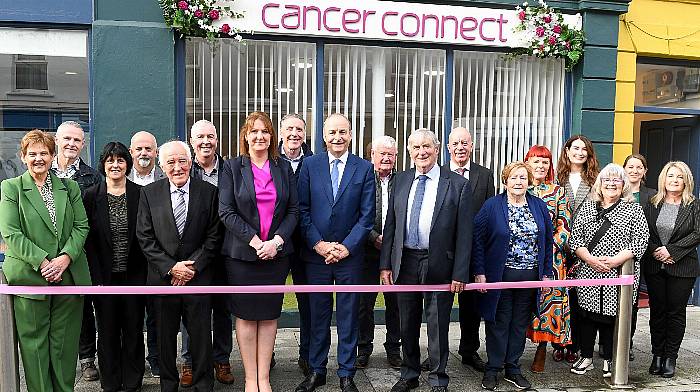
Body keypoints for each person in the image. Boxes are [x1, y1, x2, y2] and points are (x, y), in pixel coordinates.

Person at [380, 129, 472, 392]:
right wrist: (386, 264)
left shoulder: (457, 184)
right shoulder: (400, 180)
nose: (422, 152)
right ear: (409, 152)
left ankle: (437, 378)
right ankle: (409, 374)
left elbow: (465, 234)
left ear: (437, 148)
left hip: (439, 263)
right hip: (405, 261)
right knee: (406, 321)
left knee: (438, 323)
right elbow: (391, 226)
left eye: (427, 147)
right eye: (416, 148)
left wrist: (460, 273)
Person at [0, 130, 91, 392]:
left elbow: (81, 227)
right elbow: (11, 233)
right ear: (23, 157)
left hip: (68, 276)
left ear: (53, 156)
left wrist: (63, 259)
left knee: (64, 347)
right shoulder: (11, 187)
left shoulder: (70, 187)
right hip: (29, 278)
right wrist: (43, 263)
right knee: (35, 347)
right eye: (32, 154)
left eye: (43, 153)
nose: (38, 158)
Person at [294, 113, 375, 392]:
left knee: (348, 315)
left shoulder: (364, 168)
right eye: (332, 132)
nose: (337, 137)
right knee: (317, 314)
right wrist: (319, 244)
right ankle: (317, 370)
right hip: (315, 256)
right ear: (323, 136)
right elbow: (301, 210)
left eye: (343, 132)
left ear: (350, 134)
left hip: (349, 258)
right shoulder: (309, 165)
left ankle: (346, 372)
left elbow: (367, 217)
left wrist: (345, 247)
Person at [219, 111, 298, 392]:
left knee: (268, 316)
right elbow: (226, 212)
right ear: (245, 136)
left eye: (265, 131)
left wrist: (275, 242)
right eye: (254, 131)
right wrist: (255, 242)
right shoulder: (231, 167)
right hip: (242, 256)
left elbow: (293, 210)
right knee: (245, 316)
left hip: (276, 256)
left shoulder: (283, 168)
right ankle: (250, 380)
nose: (259, 136)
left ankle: (264, 379)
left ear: (271, 136)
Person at [136, 140, 221, 392]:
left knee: (201, 336)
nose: (177, 167)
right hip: (163, 279)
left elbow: (214, 235)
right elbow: (145, 237)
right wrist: (172, 267)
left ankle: (203, 384)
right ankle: (168, 385)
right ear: (161, 165)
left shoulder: (209, 192)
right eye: (170, 162)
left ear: (191, 161)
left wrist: (191, 268)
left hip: (199, 277)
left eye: (182, 161)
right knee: (164, 338)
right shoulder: (149, 193)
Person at [473, 162, 553, 391]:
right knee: (499, 322)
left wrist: (546, 274)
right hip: (500, 276)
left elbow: (547, 242)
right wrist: (479, 272)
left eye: (523, 178)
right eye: (514, 178)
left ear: (529, 182)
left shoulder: (538, 206)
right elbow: (477, 239)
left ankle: (513, 368)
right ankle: (493, 368)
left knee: (519, 323)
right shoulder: (492, 206)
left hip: (529, 277)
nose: (518, 182)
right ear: (505, 181)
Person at [568, 163, 648, 379]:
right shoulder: (588, 206)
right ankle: (585, 357)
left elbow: (641, 240)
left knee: (614, 317)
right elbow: (575, 239)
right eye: (607, 180)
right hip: (589, 270)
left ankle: (610, 359)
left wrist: (614, 261)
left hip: (619, 272)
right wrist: (591, 260)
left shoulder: (633, 209)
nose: (611, 183)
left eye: (617, 180)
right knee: (587, 316)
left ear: (623, 186)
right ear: (599, 184)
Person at [83, 142, 147, 392]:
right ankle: (110, 382)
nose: (115, 165)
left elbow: (145, 236)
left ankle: (132, 382)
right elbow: (88, 241)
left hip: (134, 276)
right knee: (107, 332)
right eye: (110, 160)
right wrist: (96, 278)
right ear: (103, 165)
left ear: (127, 164)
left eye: (120, 160)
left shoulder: (141, 194)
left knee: (133, 331)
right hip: (104, 279)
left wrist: (142, 277)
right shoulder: (91, 195)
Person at [179, 119, 235, 387]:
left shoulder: (232, 170)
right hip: (192, 255)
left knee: (223, 310)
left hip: (224, 252)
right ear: (192, 141)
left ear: (217, 140)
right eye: (199, 136)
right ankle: (189, 362)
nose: (205, 141)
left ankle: (221, 360)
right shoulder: (184, 170)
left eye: (210, 136)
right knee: (192, 309)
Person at [51, 120, 102, 381]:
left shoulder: (93, 177)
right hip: (47, 253)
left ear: (83, 144)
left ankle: (87, 359)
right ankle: (57, 357)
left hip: (82, 251)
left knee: (83, 307)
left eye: (77, 140)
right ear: (57, 141)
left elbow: (93, 219)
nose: (71, 144)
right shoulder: (42, 171)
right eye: (67, 139)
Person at [643, 161, 700, 378]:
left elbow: (697, 233)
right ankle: (657, 354)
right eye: (670, 176)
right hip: (655, 265)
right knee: (657, 312)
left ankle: (670, 357)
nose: (674, 180)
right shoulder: (652, 203)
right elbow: (643, 232)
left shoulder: (694, 205)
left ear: (686, 181)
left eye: (679, 177)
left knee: (675, 312)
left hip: (682, 267)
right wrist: (657, 250)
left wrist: (672, 251)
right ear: (663, 180)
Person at [445, 126, 495, 373]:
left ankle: (469, 351)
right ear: (448, 148)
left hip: (474, 249)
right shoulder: (439, 173)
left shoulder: (485, 176)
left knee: (471, 308)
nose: (460, 148)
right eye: (455, 143)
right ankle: (437, 351)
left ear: (472, 146)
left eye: (465, 143)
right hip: (444, 253)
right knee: (439, 307)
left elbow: (490, 215)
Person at [524, 146, 572, 372]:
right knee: (521, 303)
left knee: (547, 305)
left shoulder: (558, 192)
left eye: (545, 162)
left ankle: (542, 348)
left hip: (551, 258)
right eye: (536, 161)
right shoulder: (520, 187)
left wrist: (548, 247)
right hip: (523, 256)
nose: (541, 166)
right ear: (528, 164)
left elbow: (565, 226)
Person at [356, 135, 402, 370]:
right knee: (364, 304)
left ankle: (394, 348)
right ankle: (363, 348)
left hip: (396, 253)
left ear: (396, 157)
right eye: (381, 153)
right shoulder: (362, 178)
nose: (386, 158)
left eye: (390, 154)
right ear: (372, 155)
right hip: (366, 251)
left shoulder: (404, 181)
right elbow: (355, 213)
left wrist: (391, 241)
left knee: (396, 303)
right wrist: (374, 237)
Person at [555, 135, 599, 363]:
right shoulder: (557, 177)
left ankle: (579, 345)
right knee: (561, 297)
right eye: (576, 148)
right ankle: (560, 343)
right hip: (561, 248)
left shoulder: (595, 180)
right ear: (567, 151)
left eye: (584, 149)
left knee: (581, 299)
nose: (580, 153)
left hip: (586, 246)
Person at [278, 113, 314, 376]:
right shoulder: (268, 160)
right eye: (289, 128)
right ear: (280, 132)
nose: (294, 134)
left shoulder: (314, 163)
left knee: (308, 303)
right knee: (267, 302)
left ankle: (308, 355)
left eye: (299, 129)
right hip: (274, 244)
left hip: (305, 246)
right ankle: (265, 357)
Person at [127, 130, 165, 377]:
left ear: (156, 152)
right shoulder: (118, 177)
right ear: (131, 152)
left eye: (148, 149)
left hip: (158, 259)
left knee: (156, 314)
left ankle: (156, 360)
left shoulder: (165, 178)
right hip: (128, 260)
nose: (143, 153)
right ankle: (132, 364)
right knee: (131, 316)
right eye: (139, 149)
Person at [623, 153, 655, 361]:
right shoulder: (615, 190)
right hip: (616, 256)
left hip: (643, 257)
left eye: (639, 167)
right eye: (630, 167)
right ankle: (607, 341)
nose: (634, 171)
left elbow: (653, 227)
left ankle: (627, 342)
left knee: (632, 302)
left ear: (644, 171)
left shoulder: (651, 196)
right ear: (624, 169)